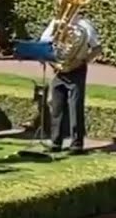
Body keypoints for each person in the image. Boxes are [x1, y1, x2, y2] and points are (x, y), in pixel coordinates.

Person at [42, 8, 101, 154]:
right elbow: (44, 43)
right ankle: (56, 142)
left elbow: (97, 48)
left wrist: (83, 61)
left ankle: (76, 144)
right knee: (56, 107)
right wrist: (51, 61)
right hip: (58, 69)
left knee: (76, 106)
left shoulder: (85, 26)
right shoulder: (56, 23)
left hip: (77, 69)